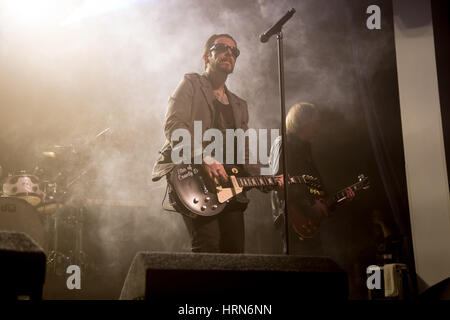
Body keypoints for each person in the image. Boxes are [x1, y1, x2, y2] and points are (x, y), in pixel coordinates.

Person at [152, 34, 261, 253]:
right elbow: (174, 125)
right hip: (193, 176)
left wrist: (266, 179)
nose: (229, 53)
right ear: (206, 56)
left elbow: (244, 151)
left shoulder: (239, 104)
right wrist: (204, 157)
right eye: (222, 48)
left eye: (234, 51)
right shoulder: (191, 83)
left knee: (234, 251)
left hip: (230, 185)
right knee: (208, 246)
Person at [269, 102, 354, 255]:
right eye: (316, 122)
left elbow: (315, 189)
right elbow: (279, 183)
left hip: (308, 219)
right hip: (293, 217)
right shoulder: (283, 143)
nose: (318, 127)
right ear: (304, 121)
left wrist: (339, 198)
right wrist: (308, 206)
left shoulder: (305, 147)